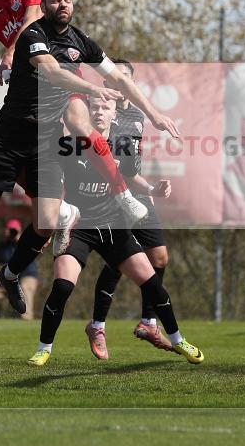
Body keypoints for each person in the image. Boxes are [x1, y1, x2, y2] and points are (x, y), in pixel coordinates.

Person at [0, 0, 180, 320]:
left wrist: (155, 115)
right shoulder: (32, 36)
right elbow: (52, 73)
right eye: (54, 0)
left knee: (47, 223)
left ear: (72, 4)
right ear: (45, 4)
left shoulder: (80, 41)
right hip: (10, 136)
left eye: (67, 0)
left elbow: (122, 80)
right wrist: (94, 90)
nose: (62, 5)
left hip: (45, 141)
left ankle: (10, 274)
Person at [27, 95, 203, 367]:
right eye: (93, 107)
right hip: (78, 226)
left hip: (113, 225)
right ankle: (43, 348)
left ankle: (179, 340)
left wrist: (153, 189)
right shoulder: (67, 143)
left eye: (104, 108)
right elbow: (47, 177)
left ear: (114, 114)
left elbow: (131, 178)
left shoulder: (123, 144)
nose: (98, 112)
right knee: (62, 286)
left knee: (153, 283)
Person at [87, 59, 174, 356]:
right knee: (118, 262)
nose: (118, 82)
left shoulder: (137, 116)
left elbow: (130, 170)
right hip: (109, 197)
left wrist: (151, 189)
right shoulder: (96, 111)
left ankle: (149, 321)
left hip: (135, 193)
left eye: (125, 78)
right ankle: (97, 324)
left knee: (160, 257)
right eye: (114, 77)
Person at [0, 219, 40, 320]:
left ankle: (26, 318)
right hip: (10, 278)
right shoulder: (3, 246)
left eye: (15, 230)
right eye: (11, 230)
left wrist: (19, 238)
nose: (13, 233)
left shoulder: (26, 241)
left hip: (28, 276)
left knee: (24, 286)